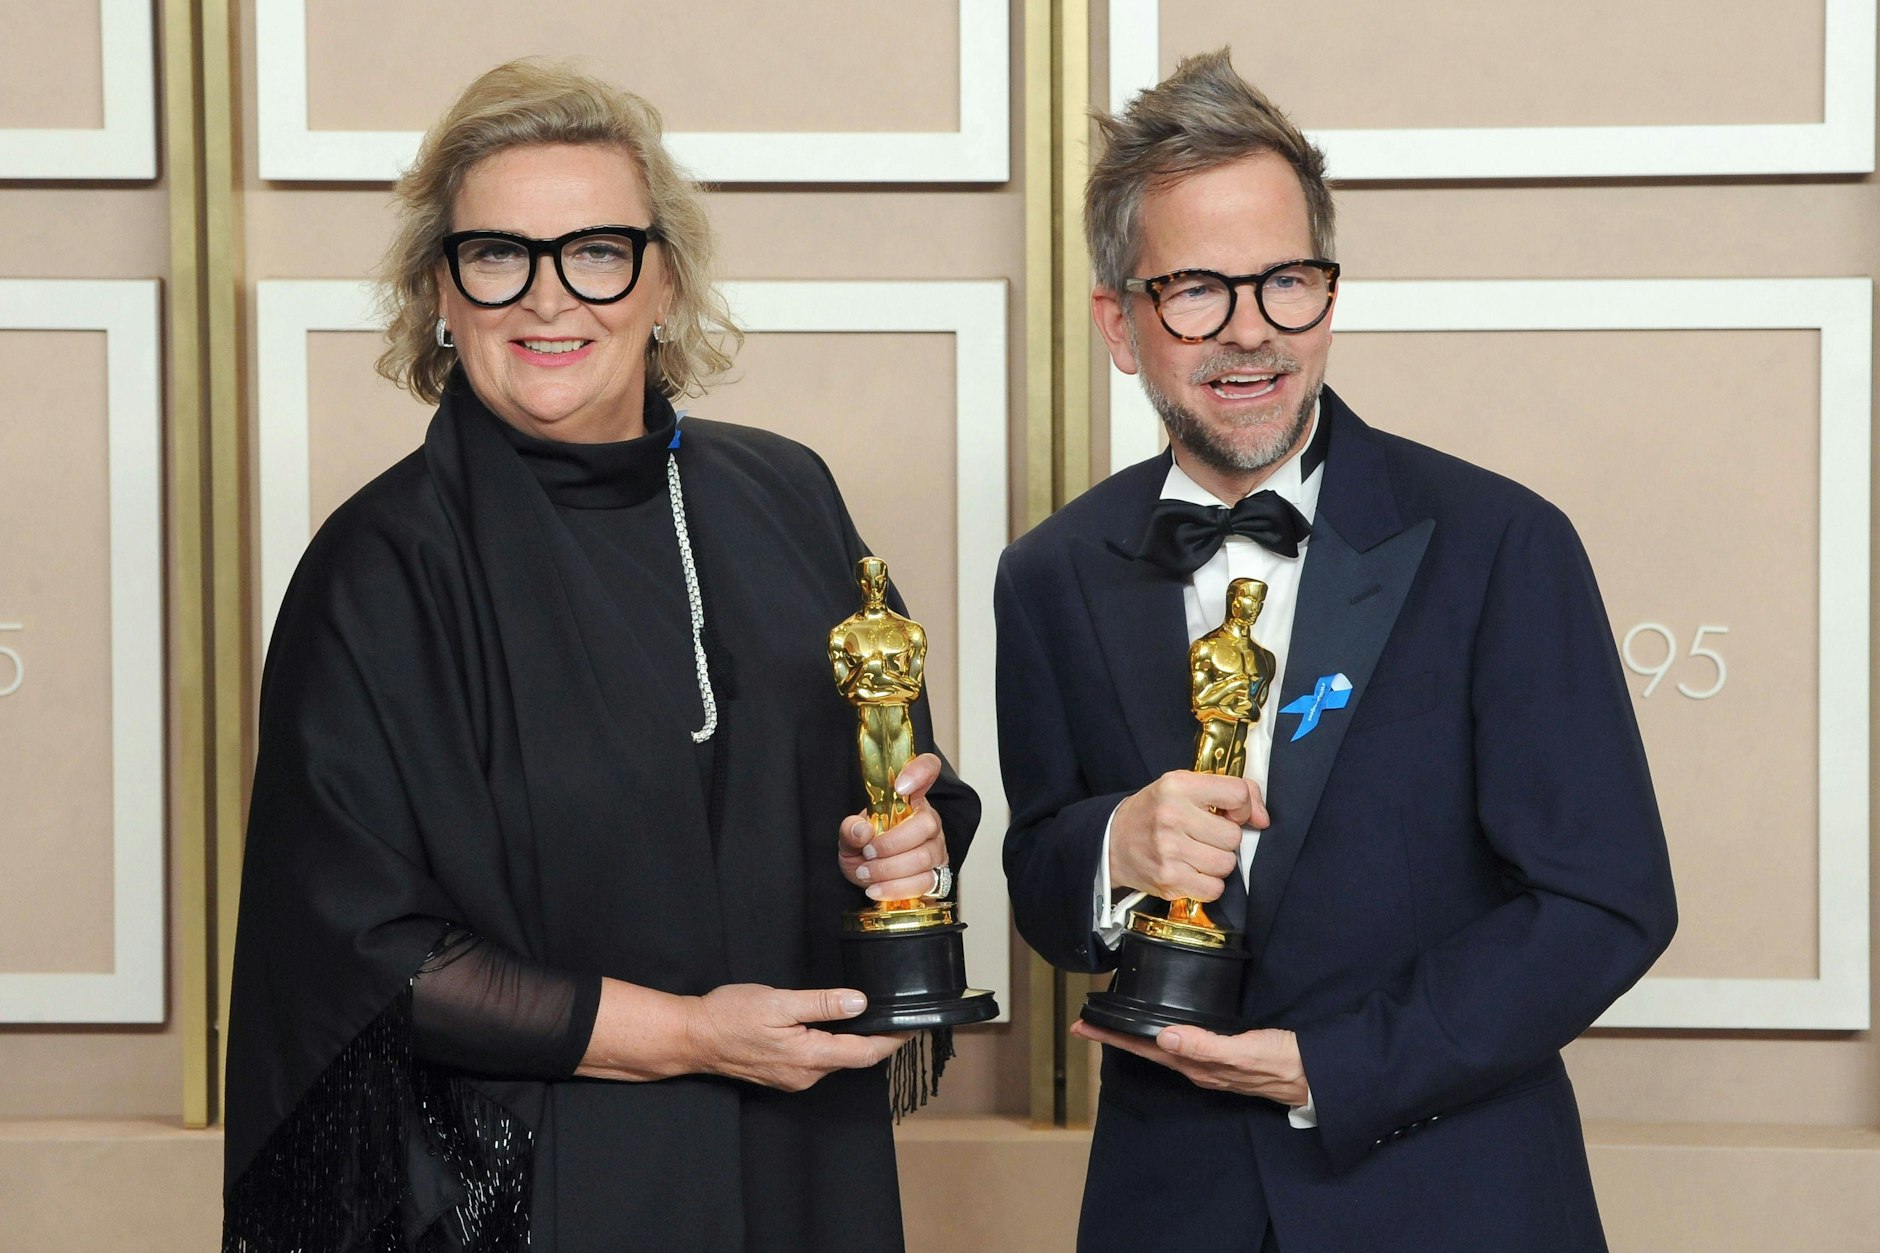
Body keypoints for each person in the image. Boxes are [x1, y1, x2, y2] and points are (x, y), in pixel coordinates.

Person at [222, 60, 977, 1253]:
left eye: (596, 251)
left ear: (663, 278)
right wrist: (687, 1034)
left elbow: (896, 779)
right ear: (440, 291)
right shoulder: (380, 565)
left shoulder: (785, 493)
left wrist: (898, 847)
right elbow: (365, 955)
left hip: (798, 1159)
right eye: (496, 255)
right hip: (532, 1184)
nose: (547, 297)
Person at [997, 50, 1677, 1252]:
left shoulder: (1497, 541)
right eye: (1196, 289)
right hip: (1169, 1205)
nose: (1251, 333)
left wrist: (1329, 1062)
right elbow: (1047, 877)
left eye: (1287, 283)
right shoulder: (1051, 571)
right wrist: (1111, 843)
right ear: (1119, 322)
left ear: (1328, 290)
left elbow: (1603, 900)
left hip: (1454, 1196)